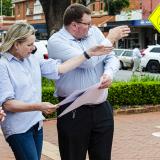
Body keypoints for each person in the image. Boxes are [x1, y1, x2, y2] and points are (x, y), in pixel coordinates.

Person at [0, 22, 114, 160]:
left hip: (36, 124)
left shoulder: (32, 59)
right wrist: (39, 106)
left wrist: (88, 53)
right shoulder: (3, 65)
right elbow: (8, 104)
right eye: (29, 45)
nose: (33, 48)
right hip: (18, 128)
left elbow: (61, 68)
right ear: (16, 44)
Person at [48, 3, 130, 160]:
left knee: (102, 156)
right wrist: (110, 38)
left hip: (101, 108)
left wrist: (108, 74)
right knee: (73, 156)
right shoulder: (56, 41)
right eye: (87, 24)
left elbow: (111, 57)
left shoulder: (94, 32)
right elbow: (88, 62)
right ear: (74, 25)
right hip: (74, 109)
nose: (91, 27)